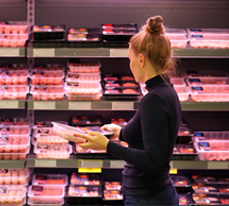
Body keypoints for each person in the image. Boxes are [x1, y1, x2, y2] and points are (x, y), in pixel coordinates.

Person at [65, 15, 181, 206]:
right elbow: (153, 139)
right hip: (152, 195)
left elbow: (154, 160)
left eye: (130, 59)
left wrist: (107, 146)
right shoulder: (166, 91)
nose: (130, 64)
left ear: (141, 59)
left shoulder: (153, 99)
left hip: (147, 198)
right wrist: (120, 132)